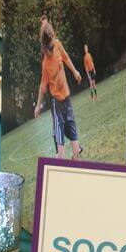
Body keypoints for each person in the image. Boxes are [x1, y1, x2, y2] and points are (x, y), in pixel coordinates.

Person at [34, 17, 82, 159]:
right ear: (52, 35)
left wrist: (75, 72)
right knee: (62, 153)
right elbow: (43, 87)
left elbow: (66, 58)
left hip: (66, 100)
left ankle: (69, 158)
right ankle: (62, 159)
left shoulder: (57, 45)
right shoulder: (46, 63)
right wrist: (38, 106)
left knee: (74, 150)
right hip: (58, 103)